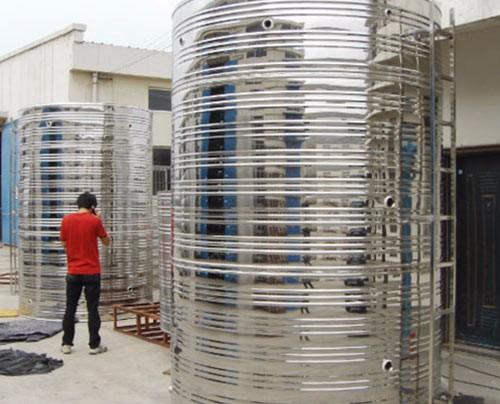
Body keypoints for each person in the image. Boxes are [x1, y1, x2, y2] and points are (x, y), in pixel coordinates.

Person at [60, 192, 111, 355]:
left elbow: (63, 243)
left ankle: (66, 344)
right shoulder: (95, 221)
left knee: (70, 308)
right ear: (93, 206)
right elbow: (106, 242)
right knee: (92, 309)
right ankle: (94, 345)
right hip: (91, 272)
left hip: (73, 271)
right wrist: (99, 221)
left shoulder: (66, 220)